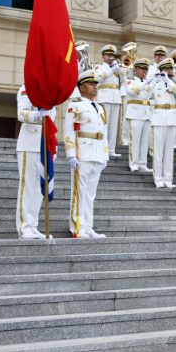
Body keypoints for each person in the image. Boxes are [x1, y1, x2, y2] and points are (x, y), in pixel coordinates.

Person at [64, 70, 109, 239]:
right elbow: (69, 131)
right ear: (82, 88)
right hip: (82, 151)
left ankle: (88, 226)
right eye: (91, 84)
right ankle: (77, 227)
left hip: (96, 152)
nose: (95, 87)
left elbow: (103, 133)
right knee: (79, 192)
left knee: (90, 193)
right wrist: (70, 154)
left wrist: (105, 155)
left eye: (96, 84)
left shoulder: (100, 108)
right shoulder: (75, 105)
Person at [15, 85, 56, 240]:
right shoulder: (27, 89)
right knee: (27, 187)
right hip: (29, 143)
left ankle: (33, 225)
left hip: (44, 143)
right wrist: (37, 115)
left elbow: (52, 122)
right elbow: (21, 114)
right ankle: (24, 226)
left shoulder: (51, 93)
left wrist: (54, 147)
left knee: (40, 188)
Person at [145, 58, 176, 189]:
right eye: (166, 69)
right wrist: (153, 81)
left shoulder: (174, 83)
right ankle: (158, 178)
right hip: (159, 118)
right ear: (161, 70)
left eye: (170, 69)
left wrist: (169, 80)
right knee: (158, 151)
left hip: (171, 118)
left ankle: (168, 178)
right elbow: (145, 96)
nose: (169, 71)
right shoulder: (155, 84)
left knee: (169, 151)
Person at [92, 45, 123, 159]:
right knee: (104, 125)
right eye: (108, 55)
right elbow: (98, 78)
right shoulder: (98, 67)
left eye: (112, 55)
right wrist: (112, 70)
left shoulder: (115, 68)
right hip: (105, 97)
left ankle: (111, 149)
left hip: (116, 97)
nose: (110, 57)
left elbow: (124, 81)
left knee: (113, 126)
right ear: (103, 56)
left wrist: (120, 70)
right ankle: (102, 148)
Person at [123, 58, 153, 173]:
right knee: (135, 140)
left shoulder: (147, 82)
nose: (144, 71)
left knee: (144, 141)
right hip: (135, 113)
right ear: (135, 70)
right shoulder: (131, 81)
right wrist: (146, 83)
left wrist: (154, 81)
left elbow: (151, 95)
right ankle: (134, 163)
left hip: (146, 113)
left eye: (146, 69)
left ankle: (142, 163)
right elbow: (131, 92)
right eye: (142, 69)